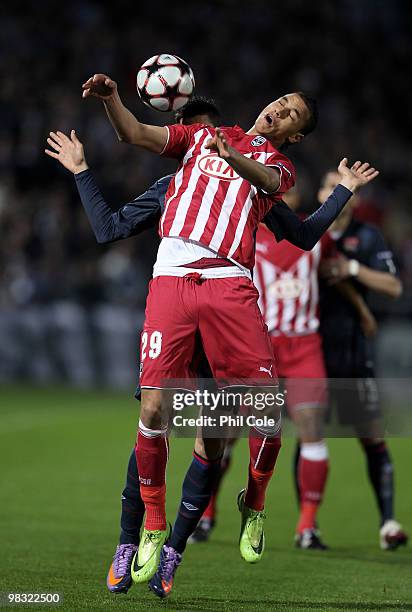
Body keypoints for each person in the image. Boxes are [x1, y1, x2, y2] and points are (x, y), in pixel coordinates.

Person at [45, 77, 376, 598]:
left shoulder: (272, 173)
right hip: (176, 283)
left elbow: (293, 215)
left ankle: (201, 534)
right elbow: (131, 142)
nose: (280, 111)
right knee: (153, 413)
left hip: (227, 289)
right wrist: (110, 101)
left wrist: (341, 191)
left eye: (291, 113)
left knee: (236, 427)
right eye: (280, 102)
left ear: (295, 135)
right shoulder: (188, 163)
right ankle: (139, 535)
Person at [315, 169, 408, 551]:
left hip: (354, 351)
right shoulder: (307, 232)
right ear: (322, 194)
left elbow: (394, 286)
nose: (332, 191)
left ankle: (387, 521)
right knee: (310, 438)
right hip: (312, 350)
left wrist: (353, 269)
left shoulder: (368, 236)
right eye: (326, 185)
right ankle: (308, 526)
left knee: (371, 437)